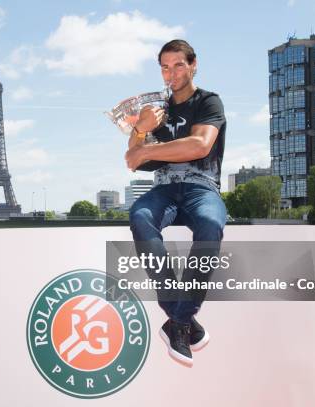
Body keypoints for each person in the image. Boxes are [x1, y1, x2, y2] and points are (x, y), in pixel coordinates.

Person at [124, 39, 227, 367]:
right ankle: (182, 320)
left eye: (178, 65)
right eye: (165, 67)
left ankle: (178, 322)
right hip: (164, 189)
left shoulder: (208, 101)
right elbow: (131, 160)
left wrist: (148, 149)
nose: (171, 73)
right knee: (140, 216)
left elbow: (199, 145)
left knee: (211, 225)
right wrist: (141, 130)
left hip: (201, 186)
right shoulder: (155, 111)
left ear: (193, 65)